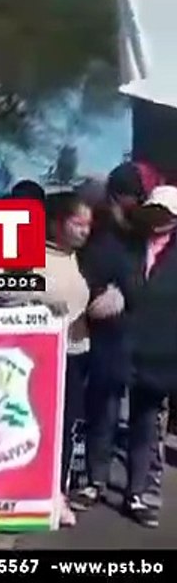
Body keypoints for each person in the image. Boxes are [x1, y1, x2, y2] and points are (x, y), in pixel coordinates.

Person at [0, 192, 92, 527]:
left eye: (88, 225)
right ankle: (13, 493)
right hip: (28, 355)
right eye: (77, 223)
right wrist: (41, 297)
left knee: (64, 429)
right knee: (21, 423)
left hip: (72, 355)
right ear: (55, 222)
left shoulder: (82, 258)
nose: (83, 231)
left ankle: (56, 495)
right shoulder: (22, 247)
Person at [71, 163, 146, 517]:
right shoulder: (99, 234)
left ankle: (136, 489)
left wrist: (125, 293)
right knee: (104, 411)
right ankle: (96, 480)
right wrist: (101, 297)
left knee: (139, 419)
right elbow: (84, 278)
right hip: (105, 338)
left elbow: (144, 282)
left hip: (138, 336)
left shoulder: (137, 234)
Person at [114, 185, 177, 527]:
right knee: (144, 425)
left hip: (170, 348)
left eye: (164, 214)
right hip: (137, 351)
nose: (157, 220)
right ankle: (138, 494)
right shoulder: (131, 247)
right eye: (153, 212)